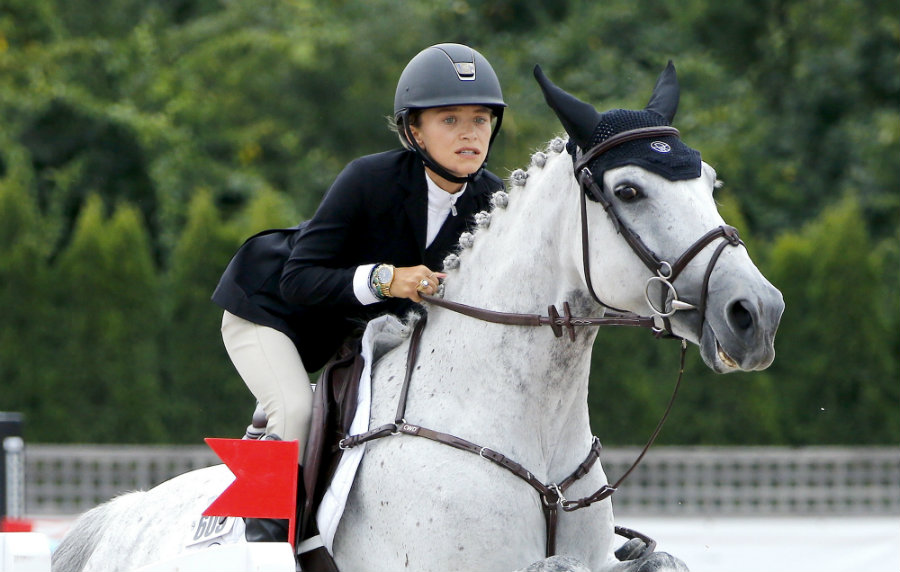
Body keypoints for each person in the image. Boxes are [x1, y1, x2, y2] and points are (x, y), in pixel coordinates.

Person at [210, 43, 507, 543]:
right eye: (450, 119)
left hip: (345, 332)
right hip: (268, 308)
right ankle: (262, 545)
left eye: (480, 119)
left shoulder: (489, 201)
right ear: (415, 130)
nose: (469, 134)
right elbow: (298, 280)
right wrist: (385, 279)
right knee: (294, 407)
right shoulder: (370, 178)